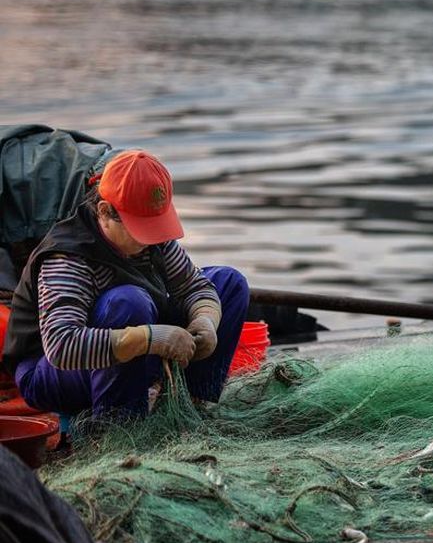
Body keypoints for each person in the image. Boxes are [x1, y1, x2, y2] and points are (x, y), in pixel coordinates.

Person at [1, 150, 249, 420]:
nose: (150, 238)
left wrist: (206, 320)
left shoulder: (155, 240)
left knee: (229, 282)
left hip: (132, 347)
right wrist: (149, 339)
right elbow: (62, 346)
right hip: (51, 371)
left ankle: (192, 404)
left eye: (155, 225)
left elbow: (193, 286)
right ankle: (120, 424)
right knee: (128, 302)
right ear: (104, 212)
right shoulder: (68, 258)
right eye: (140, 228)